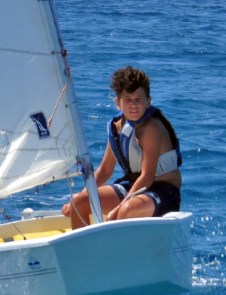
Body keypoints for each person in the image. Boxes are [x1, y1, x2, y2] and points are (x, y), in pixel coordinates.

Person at [61, 66, 182, 229]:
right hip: (134, 187)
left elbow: (147, 177)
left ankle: (119, 250)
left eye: (139, 99)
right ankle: (84, 250)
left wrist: (117, 209)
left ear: (149, 101)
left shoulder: (152, 128)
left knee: (126, 210)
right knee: (78, 203)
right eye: (128, 99)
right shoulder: (117, 128)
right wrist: (78, 198)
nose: (133, 105)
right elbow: (104, 171)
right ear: (118, 103)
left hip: (164, 191)